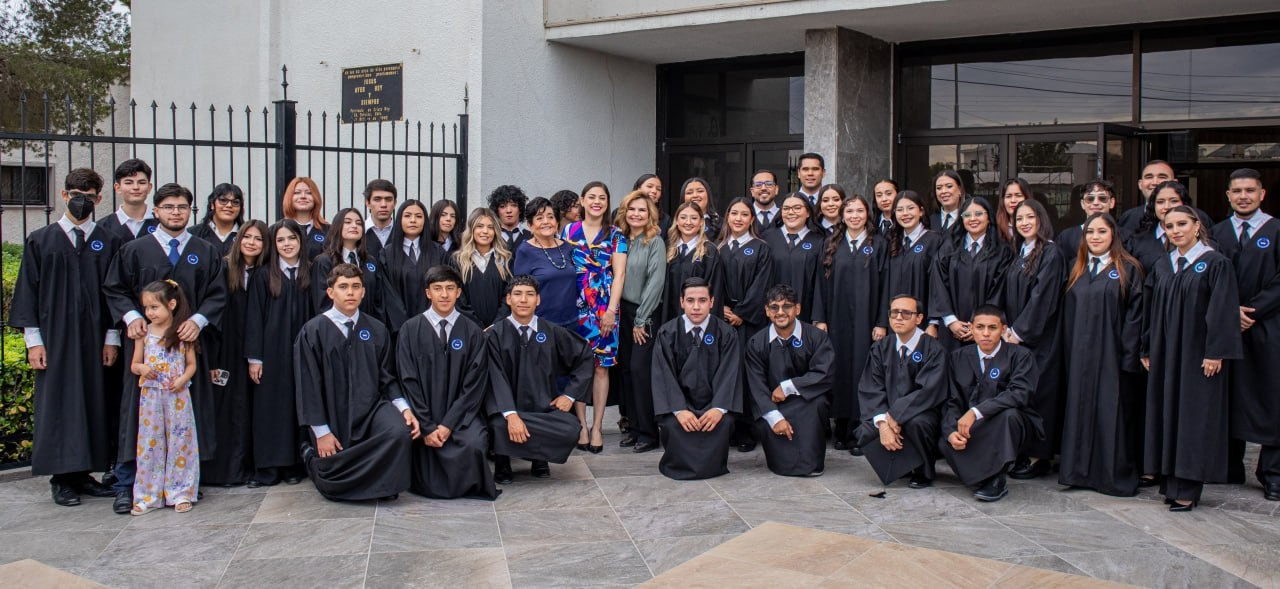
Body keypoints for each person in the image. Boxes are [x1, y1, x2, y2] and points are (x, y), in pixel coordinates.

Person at [104, 182, 226, 515]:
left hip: (187, 349)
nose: (176, 212)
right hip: (148, 352)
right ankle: (129, 485)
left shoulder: (205, 251)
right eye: (169, 207)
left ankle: (183, 484)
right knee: (139, 419)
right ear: (156, 211)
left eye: (182, 207)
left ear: (191, 211)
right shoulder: (135, 250)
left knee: (185, 419)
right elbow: (114, 290)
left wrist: (198, 321)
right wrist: (132, 318)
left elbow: (218, 295)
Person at [11, 168, 122, 506]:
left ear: (99, 199)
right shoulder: (41, 240)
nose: (81, 201)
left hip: (95, 338)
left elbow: (115, 292)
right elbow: (27, 292)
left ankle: (86, 473)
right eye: (76, 194)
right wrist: (34, 342)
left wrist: (112, 337)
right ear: (63, 195)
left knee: (94, 401)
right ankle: (62, 479)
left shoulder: (107, 240)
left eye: (89, 196)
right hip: (55, 338)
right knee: (60, 404)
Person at [1142, 203, 1243, 511]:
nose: (1176, 231)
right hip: (1165, 353)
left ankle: (1188, 487)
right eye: (1170, 226)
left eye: (1182, 224)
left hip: (1197, 355)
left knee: (1192, 418)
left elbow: (1223, 310)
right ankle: (1170, 483)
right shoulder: (1164, 264)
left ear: (1196, 226)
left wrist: (1216, 351)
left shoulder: (1214, 263)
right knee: (1168, 414)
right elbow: (1150, 312)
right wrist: (1146, 347)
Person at [295, 263, 417, 501]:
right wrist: (321, 432)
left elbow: (387, 377)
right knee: (330, 479)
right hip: (332, 414)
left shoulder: (376, 330)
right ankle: (319, 462)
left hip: (370, 409)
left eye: (355, 286)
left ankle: (364, 480)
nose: (350, 292)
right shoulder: (313, 331)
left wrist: (404, 408)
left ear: (363, 292)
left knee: (399, 433)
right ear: (330, 292)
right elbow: (307, 386)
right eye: (343, 287)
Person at [1058, 213, 1144, 497]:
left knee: (1111, 414)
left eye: (1101, 232)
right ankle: (1078, 472)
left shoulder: (1127, 269)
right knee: (1080, 410)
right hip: (1079, 356)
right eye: (1090, 232)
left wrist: (1128, 357)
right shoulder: (1077, 269)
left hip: (1112, 357)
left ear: (1113, 236)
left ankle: (1111, 476)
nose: (1095, 237)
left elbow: (1135, 317)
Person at [396, 265, 497, 499]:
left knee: (474, 443)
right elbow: (407, 379)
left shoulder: (472, 332)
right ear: (427, 293)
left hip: (460, 415)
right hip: (425, 412)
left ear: (459, 292)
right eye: (438, 288)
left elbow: (474, 385)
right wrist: (428, 425)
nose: (444, 295)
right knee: (414, 442)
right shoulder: (410, 330)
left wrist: (448, 424)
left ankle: (464, 485)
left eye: (450, 288)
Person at [485, 275, 594, 482]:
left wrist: (569, 396)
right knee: (498, 425)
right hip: (507, 410)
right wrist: (511, 415)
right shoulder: (494, 335)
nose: (523, 300)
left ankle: (539, 458)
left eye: (529, 294)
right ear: (508, 299)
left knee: (571, 428)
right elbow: (494, 378)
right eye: (517, 294)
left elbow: (585, 356)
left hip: (542, 409)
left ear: (538, 300)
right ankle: (503, 461)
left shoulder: (552, 331)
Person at [1213, 169, 1280, 500]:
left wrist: (1252, 311)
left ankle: (1273, 473)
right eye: (1237, 190)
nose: (1243, 196)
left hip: (1268, 328)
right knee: (1229, 396)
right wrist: (1229, 312)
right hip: (1228, 329)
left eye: (1249, 190)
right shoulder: (1217, 232)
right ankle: (1229, 466)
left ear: (1261, 194)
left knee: (1271, 398)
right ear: (1228, 195)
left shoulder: (1277, 230)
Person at [940, 305, 1041, 502]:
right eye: (980, 327)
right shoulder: (958, 357)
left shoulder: (1020, 356)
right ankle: (979, 475)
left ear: (1003, 329)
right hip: (974, 427)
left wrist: (976, 412)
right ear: (971, 328)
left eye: (992, 328)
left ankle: (996, 477)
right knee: (944, 441)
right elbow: (952, 399)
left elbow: (1019, 394)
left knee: (1008, 416)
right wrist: (950, 430)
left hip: (1009, 426)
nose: (985, 333)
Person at [813, 194, 888, 454]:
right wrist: (819, 318)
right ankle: (841, 427)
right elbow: (819, 285)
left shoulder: (878, 244)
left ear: (867, 214)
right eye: (849, 211)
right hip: (837, 319)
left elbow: (886, 285)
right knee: (840, 370)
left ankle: (860, 429)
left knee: (862, 372)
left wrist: (881, 321)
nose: (854, 216)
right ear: (842, 215)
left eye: (859, 211)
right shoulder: (831, 243)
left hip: (867, 320)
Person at [560, 181, 628, 455]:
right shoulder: (568, 230)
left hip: (603, 306)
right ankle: (581, 425)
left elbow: (620, 274)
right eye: (592, 197)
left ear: (607, 203)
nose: (597, 201)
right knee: (578, 367)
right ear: (582, 201)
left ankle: (598, 426)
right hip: (574, 304)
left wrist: (611, 310)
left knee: (601, 367)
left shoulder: (616, 234)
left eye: (602, 197)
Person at [245, 220, 314, 486]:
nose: (287, 244)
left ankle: (294, 465)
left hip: (302, 350)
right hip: (272, 352)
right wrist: (255, 358)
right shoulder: (265, 275)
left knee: (297, 407)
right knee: (271, 408)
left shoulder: (310, 271)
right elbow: (253, 317)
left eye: (292, 239)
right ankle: (269, 466)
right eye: (281, 240)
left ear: (301, 241)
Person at [651, 277, 742, 480]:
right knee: (674, 425)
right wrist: (679, 410)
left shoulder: (726, 333)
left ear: (712, 302)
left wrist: (718, 408)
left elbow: (730, 373)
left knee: (723, 422)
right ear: (681, 302)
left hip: (713, 404)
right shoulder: (667, 333)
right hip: (680, 405)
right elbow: (662, 375)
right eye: (690, 301)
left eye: (702, 300)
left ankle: (712, 466)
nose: (696, 307)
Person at [1001, 200, 1065, 480]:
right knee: (1023, 396)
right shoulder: (1020, 253)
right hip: (1017, 338)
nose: (1025, 222)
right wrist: (1005, 325)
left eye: (1030, 216)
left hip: (1040, 340)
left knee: (1041, 396)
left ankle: (1039, 456)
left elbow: (1043, 299)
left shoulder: (1051, 253)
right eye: (1019, 218)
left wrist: (1019, 331)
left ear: (1041, 219)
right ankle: (1023, 451)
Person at [856, 294, 947, 488]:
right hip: (888, 413)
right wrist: (883, 423)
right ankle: (900, 466)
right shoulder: (881, 348)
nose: (899, 317)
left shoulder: (933, 349)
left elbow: (928, 390)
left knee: (917, 423)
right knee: (866, 429)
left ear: (919, 318)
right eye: (894, 312)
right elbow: (871, 388)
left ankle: (923, 470)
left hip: (921, 412)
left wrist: (895, 416)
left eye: (906, 313)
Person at [201, 220, 267, 487]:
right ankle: (226, 471)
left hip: (254, 350)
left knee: (249, 409)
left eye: (258, 238)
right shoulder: (224, 268)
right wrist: (214, 360)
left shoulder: (265, 272)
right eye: (247, 237)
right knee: (228, 408)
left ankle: (248, 466)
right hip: (226, 348)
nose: (251, 242)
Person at [745, 284, 835, 477]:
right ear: (767, 311)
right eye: (774, 307)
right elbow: (756, 386)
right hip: (773, 406)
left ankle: (812, 463)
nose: (780, 312)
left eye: (786, 306)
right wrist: (775, 418)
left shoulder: (817, 338)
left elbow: (824, 373)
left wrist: (787, 387)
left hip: (808, 401)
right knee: (781, 461)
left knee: (818, 403)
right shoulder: (756, 343)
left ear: (798, 308)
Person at [128, 280, 200, 515]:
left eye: (154, 307)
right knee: (150, 443)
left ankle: (180, 491)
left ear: (171, 304)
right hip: (151, 395)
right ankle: (147, 495)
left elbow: (191, 365)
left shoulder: (181, 333)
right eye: (146, 308)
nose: (149, 313)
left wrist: (181, 380)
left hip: (177, 395)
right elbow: (135, 364)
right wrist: (142, 369)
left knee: (181, 442)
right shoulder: (144, 334)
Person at [717, 197, 775, 452]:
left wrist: (742, 312)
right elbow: (712, 282)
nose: (738, 218)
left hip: (749, 322)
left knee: (747, 375)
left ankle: (748, 431)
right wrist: (720, 307)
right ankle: (727, 427)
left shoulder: (761, 248)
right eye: (734, 213)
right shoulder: (718, 248)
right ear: (727, 217)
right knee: (724, 374)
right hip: (721, 319)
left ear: (752, 219)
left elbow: (763, 284)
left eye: (744, 214)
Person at [614, 191, 666, 453]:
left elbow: (655, 282)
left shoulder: (654, 242)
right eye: (632, 209)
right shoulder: (620, 240)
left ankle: (649, 432)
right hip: (620, 312)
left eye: (642, 210)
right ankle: (634, 428)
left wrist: (641, 319)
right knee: (625, 372)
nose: (636, 214)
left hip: (643, 314)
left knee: (640, 371)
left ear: (650, 215)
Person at [931, 197, 1012, 351]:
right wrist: (951, 321)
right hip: (952, 330)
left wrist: (979, 325)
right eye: (967, 215)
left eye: (979, 214)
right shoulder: (949, 246)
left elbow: (999, 290)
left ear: (989, 218)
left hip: (987, 331)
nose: (973, 219)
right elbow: (938, 283)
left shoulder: (1001, 251)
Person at [512, 197, 579, 329]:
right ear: (530, 225)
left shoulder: (568, 247)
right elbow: (520, 290)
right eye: (539, 218)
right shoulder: (525, 251)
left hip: (571, 322)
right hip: (541, 324)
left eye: (550, 217)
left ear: (557, 222)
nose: (546, 222)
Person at [382, 199, 448, 330]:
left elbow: (442, 287)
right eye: (407, 216)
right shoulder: (387, 254)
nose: (413, 220)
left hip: (433, 325)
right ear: (399, 219)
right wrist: (405, 327)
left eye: (419, 216)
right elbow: (388, 294)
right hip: (398, 328)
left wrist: (429, 319)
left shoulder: (437, 252)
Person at [886, 191, 943, 339]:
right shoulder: (893, 242)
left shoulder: (934, 240)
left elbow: (937, 285)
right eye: (899, 210)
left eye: (910, 208)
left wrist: (933, 322)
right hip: (896, 321)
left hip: (922, 321)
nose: (905, 214)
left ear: (921, 211)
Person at [312, 208, 386, 322]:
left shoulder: (370, 261)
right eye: (348, 222)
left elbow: (378, 301)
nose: (354, 226)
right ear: (338, 226)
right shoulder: (324, 261)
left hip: (367, 329)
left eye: (358, 223)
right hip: (335, 329)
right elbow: (322, 304)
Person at [764, 193, 825, 323]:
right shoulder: (767, 239)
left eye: (797, 208)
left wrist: (818, 318)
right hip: (771, 315)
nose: (791, 212)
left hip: (806, 314)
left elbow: (821, 283)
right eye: (786, 209)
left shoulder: (819, 242)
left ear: (808, 212)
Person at [662, 202, 725, 324]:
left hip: (698, 316)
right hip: (668, 314)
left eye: (694, 218)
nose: (688, 222)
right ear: (677, 221)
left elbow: (715, 289)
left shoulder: (709, 251)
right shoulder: (667, 247)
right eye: (683, 217)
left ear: (701, 222)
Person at [1130, 181, 1211, 274]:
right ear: (1153, 206)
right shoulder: (1137, 243)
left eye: (1174, 201)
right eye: (1160, 202)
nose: (1167, 207)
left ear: (1185, 205)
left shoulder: (1206, 245)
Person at [450, 207, 512, 328]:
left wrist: (495, 325)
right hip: (468, 328)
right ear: (471, 229)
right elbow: (458, 299)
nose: (485, 231)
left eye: (490, 227)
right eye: (480, 226)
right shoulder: (458, 261)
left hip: (500, 328)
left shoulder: (506, 260)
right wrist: (476, 326)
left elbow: (509, 295)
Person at [1056, 179, 1123, 260]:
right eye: (1090, 199)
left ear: (1112, 202)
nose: (1095, 203)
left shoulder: (1126, 236)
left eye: (1102, 198)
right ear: (1082, 204)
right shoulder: (1066, 237)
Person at [98, 158, 158, 242]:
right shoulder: (102, 227)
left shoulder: (161, 223)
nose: (136, 187)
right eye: (129, 183)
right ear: (118, 188)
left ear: (149, 187)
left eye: (142, 183)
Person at [281, 177, 329, 259]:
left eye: (309, 193)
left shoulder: (329, 231)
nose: (303, 196)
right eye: (297, 192)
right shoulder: (276, 230)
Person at [188, 183, 243, 255]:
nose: (229, 205)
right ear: (212, 205)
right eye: (223, 200)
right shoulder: (193, 234)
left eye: (235, 202)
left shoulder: (247, 235)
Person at [363, 179, 398, 262]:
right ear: (367, 203)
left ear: (395, 203)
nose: (383, 205)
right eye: (377, 199)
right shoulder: (358, 232)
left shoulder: (403, 233)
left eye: (388, 199)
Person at [489, 184, 531, 252]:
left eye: (514, 205)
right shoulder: (490, 237)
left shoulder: (532, 237)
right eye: (502, 206)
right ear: (497, 210)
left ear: (520, 209)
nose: (509, 211)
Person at [633, 174, 669, 238]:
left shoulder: (665, 220)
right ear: (638, 189)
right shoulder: (619, 213)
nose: (654, 191)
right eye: (649, 186)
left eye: (658, 189)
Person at [995, 178, 1029, 245]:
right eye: (1008, 196)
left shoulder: (1036, 228)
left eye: (1018, 195)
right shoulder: (994, 229)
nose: (1013, 200)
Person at [749, 170, 783, 235]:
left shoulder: (785, 216)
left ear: (776, 189)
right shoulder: (744, 216)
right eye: (758, 185)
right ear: (752, 191)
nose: (763, 188)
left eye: (769, 184)